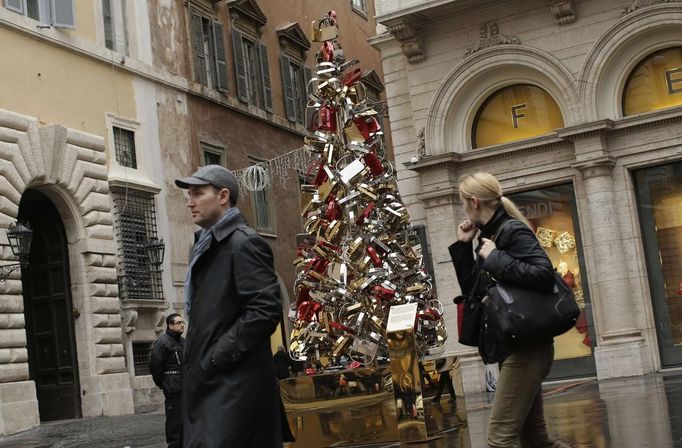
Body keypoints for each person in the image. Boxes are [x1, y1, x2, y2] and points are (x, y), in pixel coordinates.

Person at [449, 172, 570, 448]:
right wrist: (464, 246)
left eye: (463, 203)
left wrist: (495, 257)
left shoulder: (511, 231)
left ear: (475, 201)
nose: (464, 209)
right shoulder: (489, 235)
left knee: (500, 439)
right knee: (536, 441)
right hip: (515, 346)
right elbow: (474, 291)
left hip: (527, 349)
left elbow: (543, 274)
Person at [175, 165, 284, 447]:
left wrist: (216, 357)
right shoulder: (204, 246)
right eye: (189, 194)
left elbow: (264, 310)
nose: (190, 201)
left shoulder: (243, 243)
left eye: (198, 193)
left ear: (223, 196)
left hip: (234, 388)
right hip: (213, 385)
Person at [149, 313, 185, 448]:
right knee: (174, 423)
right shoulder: (162, 343)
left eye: (183, 323)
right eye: (179, 323)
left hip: (186, 388)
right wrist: (164, 384)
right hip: (173, 389)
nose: (182, 325)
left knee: (186, 423)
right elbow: (155, 367)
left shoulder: (183, 342)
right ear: (170, 325)